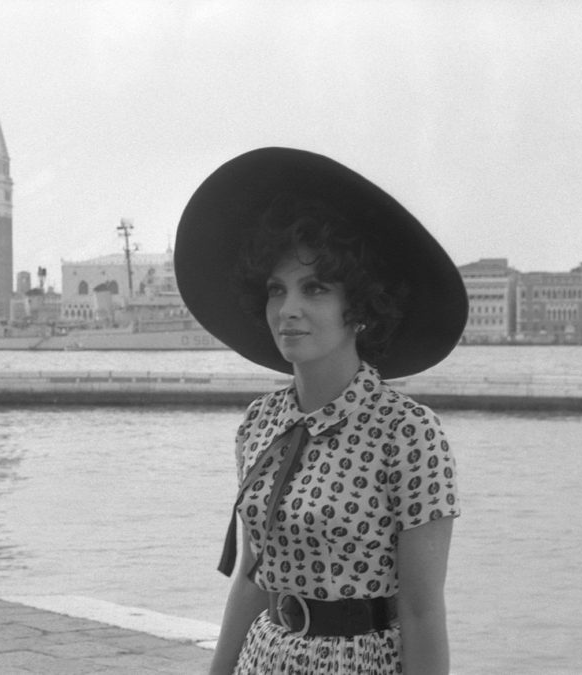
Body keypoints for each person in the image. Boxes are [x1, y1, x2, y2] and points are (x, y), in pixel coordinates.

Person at [174, 148, 468, 675]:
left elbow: (423, 612)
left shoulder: (408, 433)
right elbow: (250, 576)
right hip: (266, 657)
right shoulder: (260, 423)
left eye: (314, 289)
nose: (288, 309)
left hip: (359, 662)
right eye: (276, 289)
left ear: (359, 307)